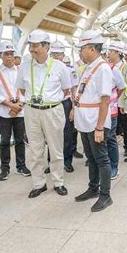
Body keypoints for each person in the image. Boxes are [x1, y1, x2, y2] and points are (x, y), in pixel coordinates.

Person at [16, 29, 71, 198]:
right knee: (35, 150)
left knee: (56, 149)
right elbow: (22, 88)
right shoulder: (24, 66)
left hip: (53, 110)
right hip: (32, 111)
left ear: (46, 46)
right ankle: (39, 183)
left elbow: (66, 89)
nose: (32, 49)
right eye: (30, 46)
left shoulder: (60, 67)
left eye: (35, 46)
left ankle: (58, 182)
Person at [72, 30, 113, 212]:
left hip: (95, 123)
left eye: (82, 48)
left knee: (102, 159)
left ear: (91, 48)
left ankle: (105, 195)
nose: (81, 52)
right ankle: (93, 188)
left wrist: (99, 128)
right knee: (91, 158)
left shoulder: (102, 68)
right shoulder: (89, 67)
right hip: (84, 122)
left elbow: (105, 100)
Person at [0, 41, 30, 181]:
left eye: (12, 54)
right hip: (4, 112)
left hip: (20, 111)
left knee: (20, 140)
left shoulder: (20, 70)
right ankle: (4, 168)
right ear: (0, 55)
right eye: (7, 54)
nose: (10, 56)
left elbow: (26, 89)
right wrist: (10, 106)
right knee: (5, 141)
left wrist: (19, 105)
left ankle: (21, 165)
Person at [50, 40, 79, 173]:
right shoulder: (47, 69)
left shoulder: (70, 70)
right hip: (51, 104)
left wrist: (73, 108)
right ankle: (51, 162)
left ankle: (67, 161)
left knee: (67, 133)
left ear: (63, 55)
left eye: (59, 54)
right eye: (54, 54)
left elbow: (74, 90)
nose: (56, 57)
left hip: (66, 103)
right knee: (51, 134)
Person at [107, 41, 127, 180]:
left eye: (111, 52)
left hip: (111, 109)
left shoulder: (116, 69)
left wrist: (114, 99)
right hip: (99, 110)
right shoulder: (103, 67)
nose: (108, 54)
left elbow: (121, 87)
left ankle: (114, 166)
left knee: (110, 138)